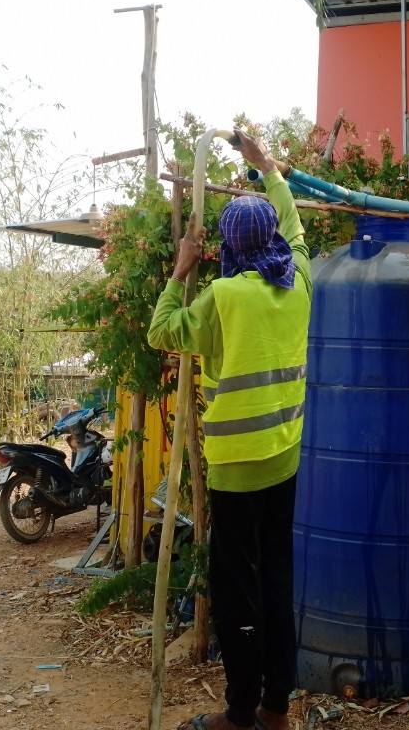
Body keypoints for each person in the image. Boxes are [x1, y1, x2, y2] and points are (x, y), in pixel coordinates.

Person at [148, 130, 312, 730]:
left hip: (237, 470)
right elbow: (294, 226)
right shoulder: (299, 283)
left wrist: (180, 270)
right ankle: (276, 709)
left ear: (229, 247)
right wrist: (266, 166)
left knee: (238, 592)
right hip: (284, 458)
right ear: (271, 240)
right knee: (277, 581)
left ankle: (240, 713)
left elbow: (161, 332)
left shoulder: (221, 298)